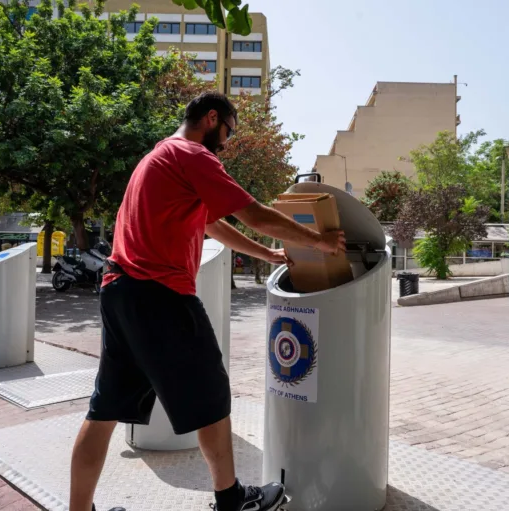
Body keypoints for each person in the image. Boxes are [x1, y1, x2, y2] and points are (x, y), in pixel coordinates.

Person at [69, 91, 346, 511]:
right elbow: (254, 213)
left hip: (119, 291)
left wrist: (266, 253)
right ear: (212, 118)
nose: (227, 143)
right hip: (160, 295)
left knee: (104, 409)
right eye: (229, 131)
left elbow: (212, 224)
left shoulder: (157, 157)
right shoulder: (193, 155)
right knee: (212, 397)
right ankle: (231, 501)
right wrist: (319, 242)